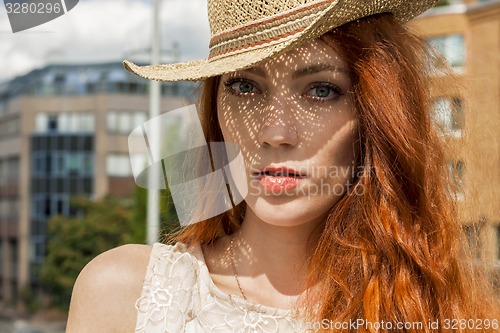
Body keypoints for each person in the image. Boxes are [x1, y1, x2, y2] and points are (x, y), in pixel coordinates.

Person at [66, 0, 500, 332]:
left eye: (321, 91)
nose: (275, 132)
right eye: (243, 85)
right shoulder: (125, 294)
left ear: (376, 117)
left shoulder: (438, 313)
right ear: (214, 111)